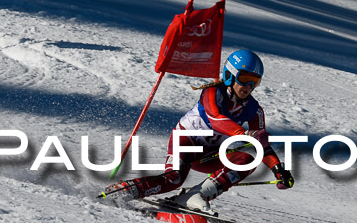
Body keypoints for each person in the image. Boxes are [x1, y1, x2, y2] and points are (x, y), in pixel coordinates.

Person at [104, 50, 294, 212]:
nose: (248, 87)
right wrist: (244, 135)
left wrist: (278, 170)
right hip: (186, 141)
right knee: (173, 179)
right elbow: (216, 119)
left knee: (245, 160)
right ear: (230, 75)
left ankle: (196, 195)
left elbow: (262, 145)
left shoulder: (255, 110)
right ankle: (123, 190)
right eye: (244, 79)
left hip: (211, 153)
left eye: (254, 81)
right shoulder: (212, 92)